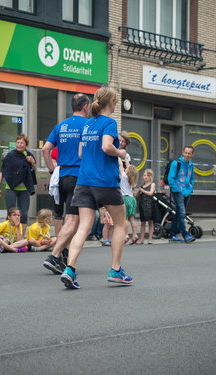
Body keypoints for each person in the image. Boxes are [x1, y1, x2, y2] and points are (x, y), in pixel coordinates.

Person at [60, 86, 133, 289]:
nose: (116, 103)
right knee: (121, 224)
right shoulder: (109, 122)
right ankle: (116, 270)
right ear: (111, 103)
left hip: (84, 180)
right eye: (116, 101)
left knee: (83, 227)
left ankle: (70, 269)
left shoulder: (87, 124)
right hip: (104, 181)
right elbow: (106, 147)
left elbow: (82, 154)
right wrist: (122, 154)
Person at [41, 93, 90, 275]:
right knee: (73, 221)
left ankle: (64, 255)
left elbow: (46, 149)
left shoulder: (61, 125)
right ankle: (56, 256)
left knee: (71, 221)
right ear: (85, 106)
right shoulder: (88, 125)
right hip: (80, 177)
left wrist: (53, 169)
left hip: (62, 176)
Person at [0, 134, 36, 234]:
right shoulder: (10, 155)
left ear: (26, 145)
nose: (19, 144)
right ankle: (8, 234)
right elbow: (3, 172)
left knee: (24, 213)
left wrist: (32, 163)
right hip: (11, 187)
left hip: (24, 188)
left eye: (22, 143)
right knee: (11, 212)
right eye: (18, 142)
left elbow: (33, 171)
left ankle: (21, 236)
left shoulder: (29, 155)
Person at [167, 146, 196, 243]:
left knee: (179, 213)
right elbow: (171, 178)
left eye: (189, 153)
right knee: (182, 213)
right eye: (186, 153)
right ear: (183, 153)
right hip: (178, 191)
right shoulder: (176, 163)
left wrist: (191, 188)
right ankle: (185, 234)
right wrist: (177, 189)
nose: (187, 155)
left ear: (192, 154)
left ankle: (172, 235)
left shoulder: (191, 165)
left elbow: (192, 178)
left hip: (187, 192)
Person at [137, 168, 159, 244]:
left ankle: (150, 239)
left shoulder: (152, 184)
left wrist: (141, 190)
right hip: (142, 205)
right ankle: (142, 239)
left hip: (150, 205)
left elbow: (150, 193)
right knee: (142, 223)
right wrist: (137, 191)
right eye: (144, 175)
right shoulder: (142, 186)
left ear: (150, 177)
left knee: (150, 222)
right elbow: (137, 195)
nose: (145, 177)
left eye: (147, 175)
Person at [119, 163, 139, 244]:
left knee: (125, 219)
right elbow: (128, 167)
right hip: (132, 199)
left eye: (127, 168)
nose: (125, 168)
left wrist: (119, 157)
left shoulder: (124, 176)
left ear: (128, 171)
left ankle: (126, 235)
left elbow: (120, 166)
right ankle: (135, 235)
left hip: (125, 199)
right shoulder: (132, 179)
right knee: (132, 219)